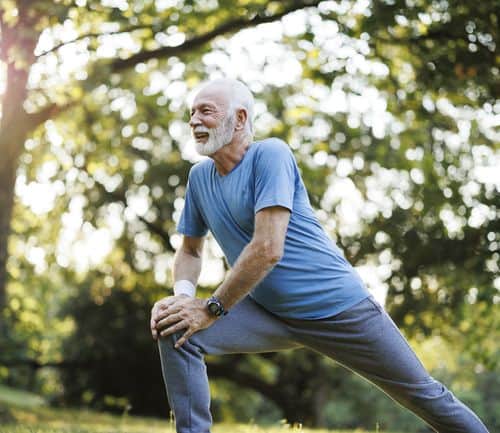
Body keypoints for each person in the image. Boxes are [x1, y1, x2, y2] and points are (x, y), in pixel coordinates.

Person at [150, 78, 489, 433]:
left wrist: (211, 308)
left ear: (239, 119)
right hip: (270, 313)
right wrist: (183, 303)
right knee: (177, 330)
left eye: (206, 111)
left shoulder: (271, 155)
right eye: (192, 113)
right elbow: (190, 250)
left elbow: (268, 249)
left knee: (424, 395)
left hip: (339, 309)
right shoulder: (199, 177)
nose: (194, 121)